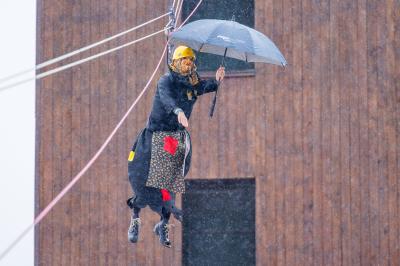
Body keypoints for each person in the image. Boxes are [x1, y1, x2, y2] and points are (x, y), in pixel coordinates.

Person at [126, 45, 225, 248]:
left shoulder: (191, 82)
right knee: (143, 184)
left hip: (172, 139)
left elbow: (203, 88)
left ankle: (163, 224)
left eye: (191, 61)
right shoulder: (166, 81)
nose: (188, 64)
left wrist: (216, 81)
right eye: (185, 60)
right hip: (154, 137)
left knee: (168, 186)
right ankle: (135, 216)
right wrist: (178, 111)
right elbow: (166, 99)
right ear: (176, 62)